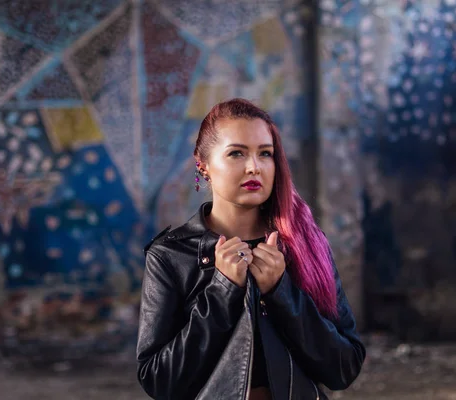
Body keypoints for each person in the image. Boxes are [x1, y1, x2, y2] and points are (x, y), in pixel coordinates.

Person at [136, 98, 365, 400]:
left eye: (265, 154)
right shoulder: (170, 255)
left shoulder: (305, 243)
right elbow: (159, 381)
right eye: (236, 154)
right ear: (203, 166)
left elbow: (344, 369)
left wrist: (282, 291)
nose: (254, 167)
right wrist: (222, 290)